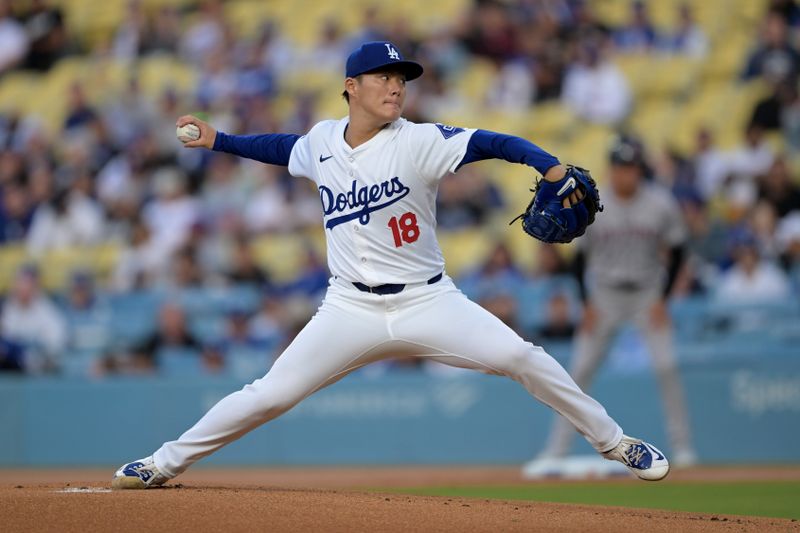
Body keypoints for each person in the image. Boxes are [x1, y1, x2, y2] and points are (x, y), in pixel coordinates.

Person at [111, 41, 670, 489]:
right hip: (348, 307)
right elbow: (282, 147)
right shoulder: (324, 140)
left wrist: (549, 168)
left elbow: (495, 141)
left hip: (428, 300)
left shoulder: (419, 141)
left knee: (523, 357)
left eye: (401, 77)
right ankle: (162, 463)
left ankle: (616, 443)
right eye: (383, 76)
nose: (396, 85)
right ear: (351, 87)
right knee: (270, 394)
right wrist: (220, 140)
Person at [524, 135, 697, 475]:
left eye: (630, 167)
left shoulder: (660, 204)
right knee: (578, 373)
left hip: (647, 292)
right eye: (620, 167)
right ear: (612, 169)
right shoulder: (594, 204)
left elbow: (678, 251)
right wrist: (586, 302)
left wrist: (663, 298)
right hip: (604, 295)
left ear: (639, 170)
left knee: (666, 367)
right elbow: (577, 260)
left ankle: (683, 447)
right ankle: (555, 451)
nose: (625, 174)